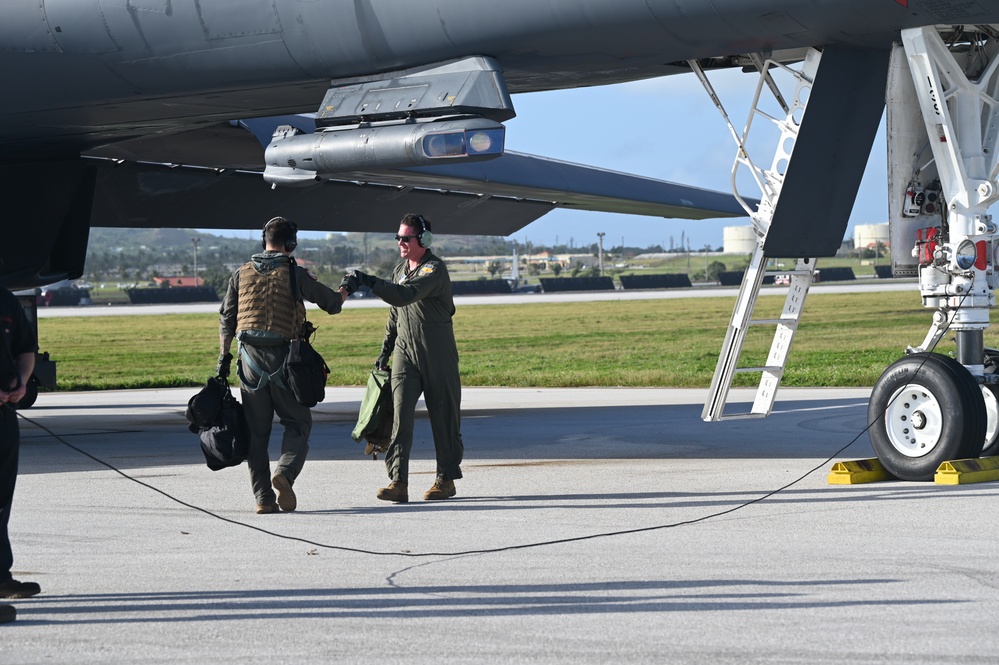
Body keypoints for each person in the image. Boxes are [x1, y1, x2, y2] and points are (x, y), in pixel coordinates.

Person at [219, 217, 349, 514]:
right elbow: (332, 304)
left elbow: (227, 320)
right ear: (291, 244)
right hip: (286, 363)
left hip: (249, 364)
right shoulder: (295, 273)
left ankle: (263, 499)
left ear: (263, 240)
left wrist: (223, 360)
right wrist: (346, 288)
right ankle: (285, 472)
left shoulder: (240, 274)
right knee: (299, 423)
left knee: (256, 433)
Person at [341, 213, 463, 503]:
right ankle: (398, 482)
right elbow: (395, 315)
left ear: (424, 240)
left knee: (444, 419)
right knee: (398, 418)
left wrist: (368, 280)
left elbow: (404, 297)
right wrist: (386, 349)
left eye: (406, 238)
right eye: (398, 238)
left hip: (438, 356)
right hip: (405, 354)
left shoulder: (434, 270)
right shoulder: (399, 270)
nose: (401, 243)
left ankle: (445, 479)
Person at [0, 286, 42, 623]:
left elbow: (25, 347)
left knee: (1, 498)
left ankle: (0, 576)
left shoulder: (5, 299)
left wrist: (22, 382)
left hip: (4, 415)